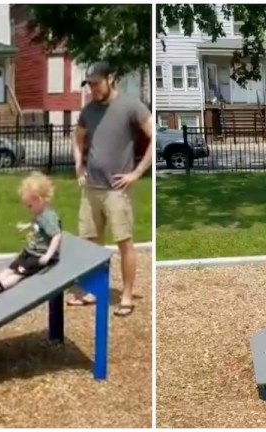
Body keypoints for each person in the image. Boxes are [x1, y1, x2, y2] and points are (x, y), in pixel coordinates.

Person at [68, 61, 153, 317]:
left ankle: (126, 295)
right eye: (89, 84)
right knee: (91, 243)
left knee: (124, 243)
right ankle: (93, 291)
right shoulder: (88, 111)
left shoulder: (130, 106)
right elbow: (78, 138)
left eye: (96, 83)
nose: (93, 89)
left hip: (116, 190)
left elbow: (153, 135)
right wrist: (78, 165)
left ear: (110, 79)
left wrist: (137, 173)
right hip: (91, 188)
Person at [0, 172, 63, 299]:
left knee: (19, 272)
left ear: (39, 199)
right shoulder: (40, 213)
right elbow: (39, 226)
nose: (28, 209)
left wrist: (48, 255)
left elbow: (57, 235)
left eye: (29, 205)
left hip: (40, 255)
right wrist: (27, 226)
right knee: (13, 267)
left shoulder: (48, 217)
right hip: (31, 251)